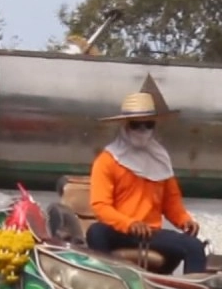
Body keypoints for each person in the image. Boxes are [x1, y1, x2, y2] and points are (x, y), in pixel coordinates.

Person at [86, 91, 208, 274]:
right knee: (96, 232)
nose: (143, 131)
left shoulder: (160, 159)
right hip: (120, 231)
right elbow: (101, 206)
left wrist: (184, 221)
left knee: (195, 247)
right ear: (125, 126)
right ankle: (107, 282)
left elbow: (171, 202)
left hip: (151, 234)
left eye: (148, 125)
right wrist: (130, 224)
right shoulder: (107, 160)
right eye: (136, 125)